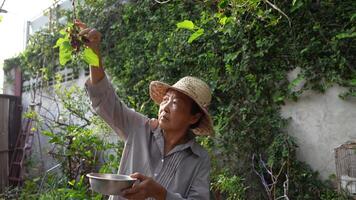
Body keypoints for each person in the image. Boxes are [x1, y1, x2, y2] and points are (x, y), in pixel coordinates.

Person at [76, 20, 214, 200]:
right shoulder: (139, 127)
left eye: (176, 103)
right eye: (165, 99)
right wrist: (93, 51)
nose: (165, 106)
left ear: (194, 117)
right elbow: (105, 99)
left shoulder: (199, 159)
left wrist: (160, 194)